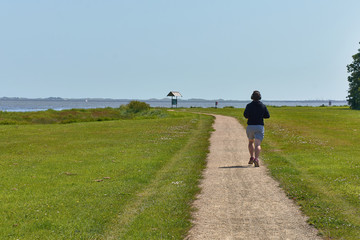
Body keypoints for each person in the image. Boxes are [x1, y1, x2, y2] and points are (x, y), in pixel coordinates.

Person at [243, 90, 270, 167]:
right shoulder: (263, 106)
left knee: (251, 142)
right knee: (257, 144)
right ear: (259, 97)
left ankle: (252, 157)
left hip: (250, 126)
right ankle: (256, 159)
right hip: (259, 126)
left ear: (252, 97)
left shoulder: (249, 105)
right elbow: (267, 116)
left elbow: (245, 115)